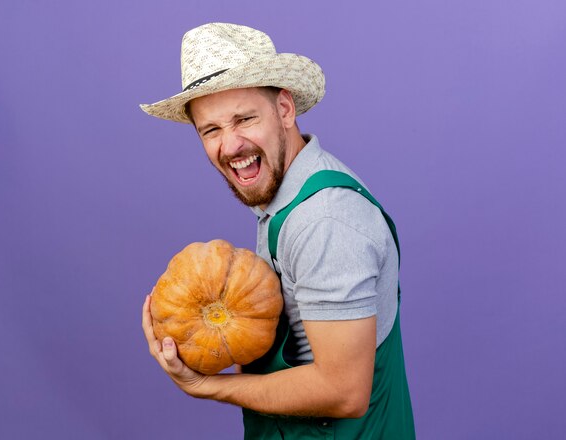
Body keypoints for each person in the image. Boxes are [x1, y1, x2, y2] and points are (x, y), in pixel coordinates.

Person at [140, 22, 415, 439]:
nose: (230, 146)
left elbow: (344, 392)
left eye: (244, 119)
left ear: (285, 110)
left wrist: (206, 385)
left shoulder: (323, 222)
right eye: (211, 130)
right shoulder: (285, 197)